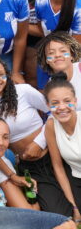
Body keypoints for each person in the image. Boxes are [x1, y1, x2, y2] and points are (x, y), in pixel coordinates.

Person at [0, 56, 65, 213]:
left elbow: (54, 111)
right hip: (30, 165)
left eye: (1, 74)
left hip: (54, 151)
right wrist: (12, 175)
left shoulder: (24, 91)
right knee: (55, 210)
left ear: (7, 76)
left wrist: (39, 143)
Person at [43, 74, 81, 221]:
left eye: (67, 101)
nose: (62, 107)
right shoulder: (51, 126)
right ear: (48, 106)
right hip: (76, 177)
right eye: (55, 103)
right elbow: (58, 167)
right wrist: (75, 207)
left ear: (75, 101)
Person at [37, 31, 81, 100]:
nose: (57, 55)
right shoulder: (51, 87)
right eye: (51, 53)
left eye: (63, 51)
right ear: (46, 60)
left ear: (72, 55)